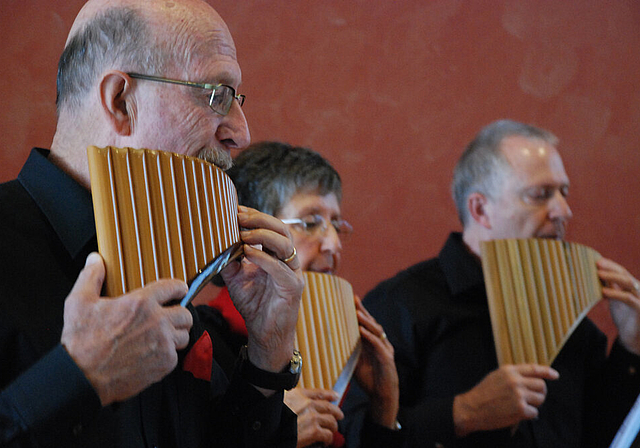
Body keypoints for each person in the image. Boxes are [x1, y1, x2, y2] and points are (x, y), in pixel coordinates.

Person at [0, 1, 305, 446]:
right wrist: (76, 379)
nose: (241, 133)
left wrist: (267, 354)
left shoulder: (175, 264)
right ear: (121, 101)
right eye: (216, 95)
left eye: (235, 100)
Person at [348, 119, 640, 447]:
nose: (563, 211)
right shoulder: (399, 306)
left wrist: (631, 347)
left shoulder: (574, 325)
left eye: (564, 193)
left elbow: (604, 437)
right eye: (540, 195)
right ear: (480, 209)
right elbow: (356, 436)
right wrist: (462, 413)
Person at [200, 141, 404, 447]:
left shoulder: (343, 353)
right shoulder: (205, 342)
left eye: (336, 225)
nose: (333, 244)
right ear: (253, 233)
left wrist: (384, 409)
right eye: (311, 223)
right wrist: (273, 428)